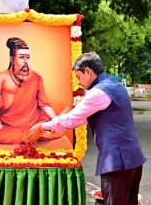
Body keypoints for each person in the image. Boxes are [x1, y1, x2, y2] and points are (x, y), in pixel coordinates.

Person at [27, 52, 147, 205]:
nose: (78, 82)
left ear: (88, 71)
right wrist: (57, 128)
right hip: (132, 159)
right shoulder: (115, 86)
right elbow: (82, 118)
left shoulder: (98, 92)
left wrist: (42, 126)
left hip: (118, 160)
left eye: (78, 76)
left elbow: (73, 118)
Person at [0, 37, 69, 145]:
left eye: (28, 57)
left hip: (33, 121)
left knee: (48, 124)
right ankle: (35, 134)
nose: (25, 61)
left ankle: (36, 131)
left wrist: (56, 120)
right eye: (21, 57)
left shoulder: (37, 78)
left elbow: (44, 104)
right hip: (7, 123)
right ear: (12, 59)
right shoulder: (1, 77)